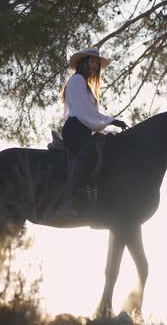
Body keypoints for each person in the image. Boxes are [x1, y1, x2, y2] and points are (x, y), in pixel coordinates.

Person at [57, 47, 127, 216]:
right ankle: (67, 202)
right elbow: (83, 111)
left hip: (84, 128)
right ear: (84, 62)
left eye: (97, 63)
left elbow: (90, 114)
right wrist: (111, 120)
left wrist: (109, 124)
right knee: (88, 154)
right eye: (92, 61)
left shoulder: (86, 85)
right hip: (75, 129)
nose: (95, 66)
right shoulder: (77, 80)